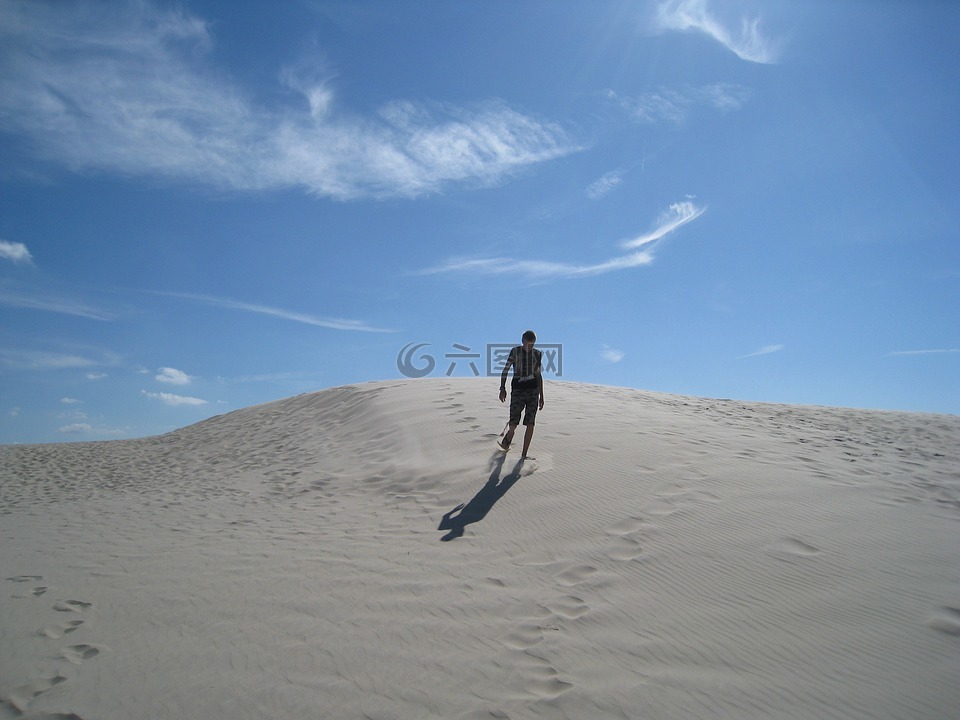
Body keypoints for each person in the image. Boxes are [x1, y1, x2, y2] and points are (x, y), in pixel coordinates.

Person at [498, 330, 544, 458]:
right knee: (514, 421)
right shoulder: (515, 352)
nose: (529, 347)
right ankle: (510, 434)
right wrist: (502, 387)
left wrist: (541, 395)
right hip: (518, 390)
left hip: (533, 391)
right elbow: (505, 370)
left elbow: (539, 375)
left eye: (532, 345)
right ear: (522, 341)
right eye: (527, 344)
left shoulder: (537, 354)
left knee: (530, 422)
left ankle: (524, 454)